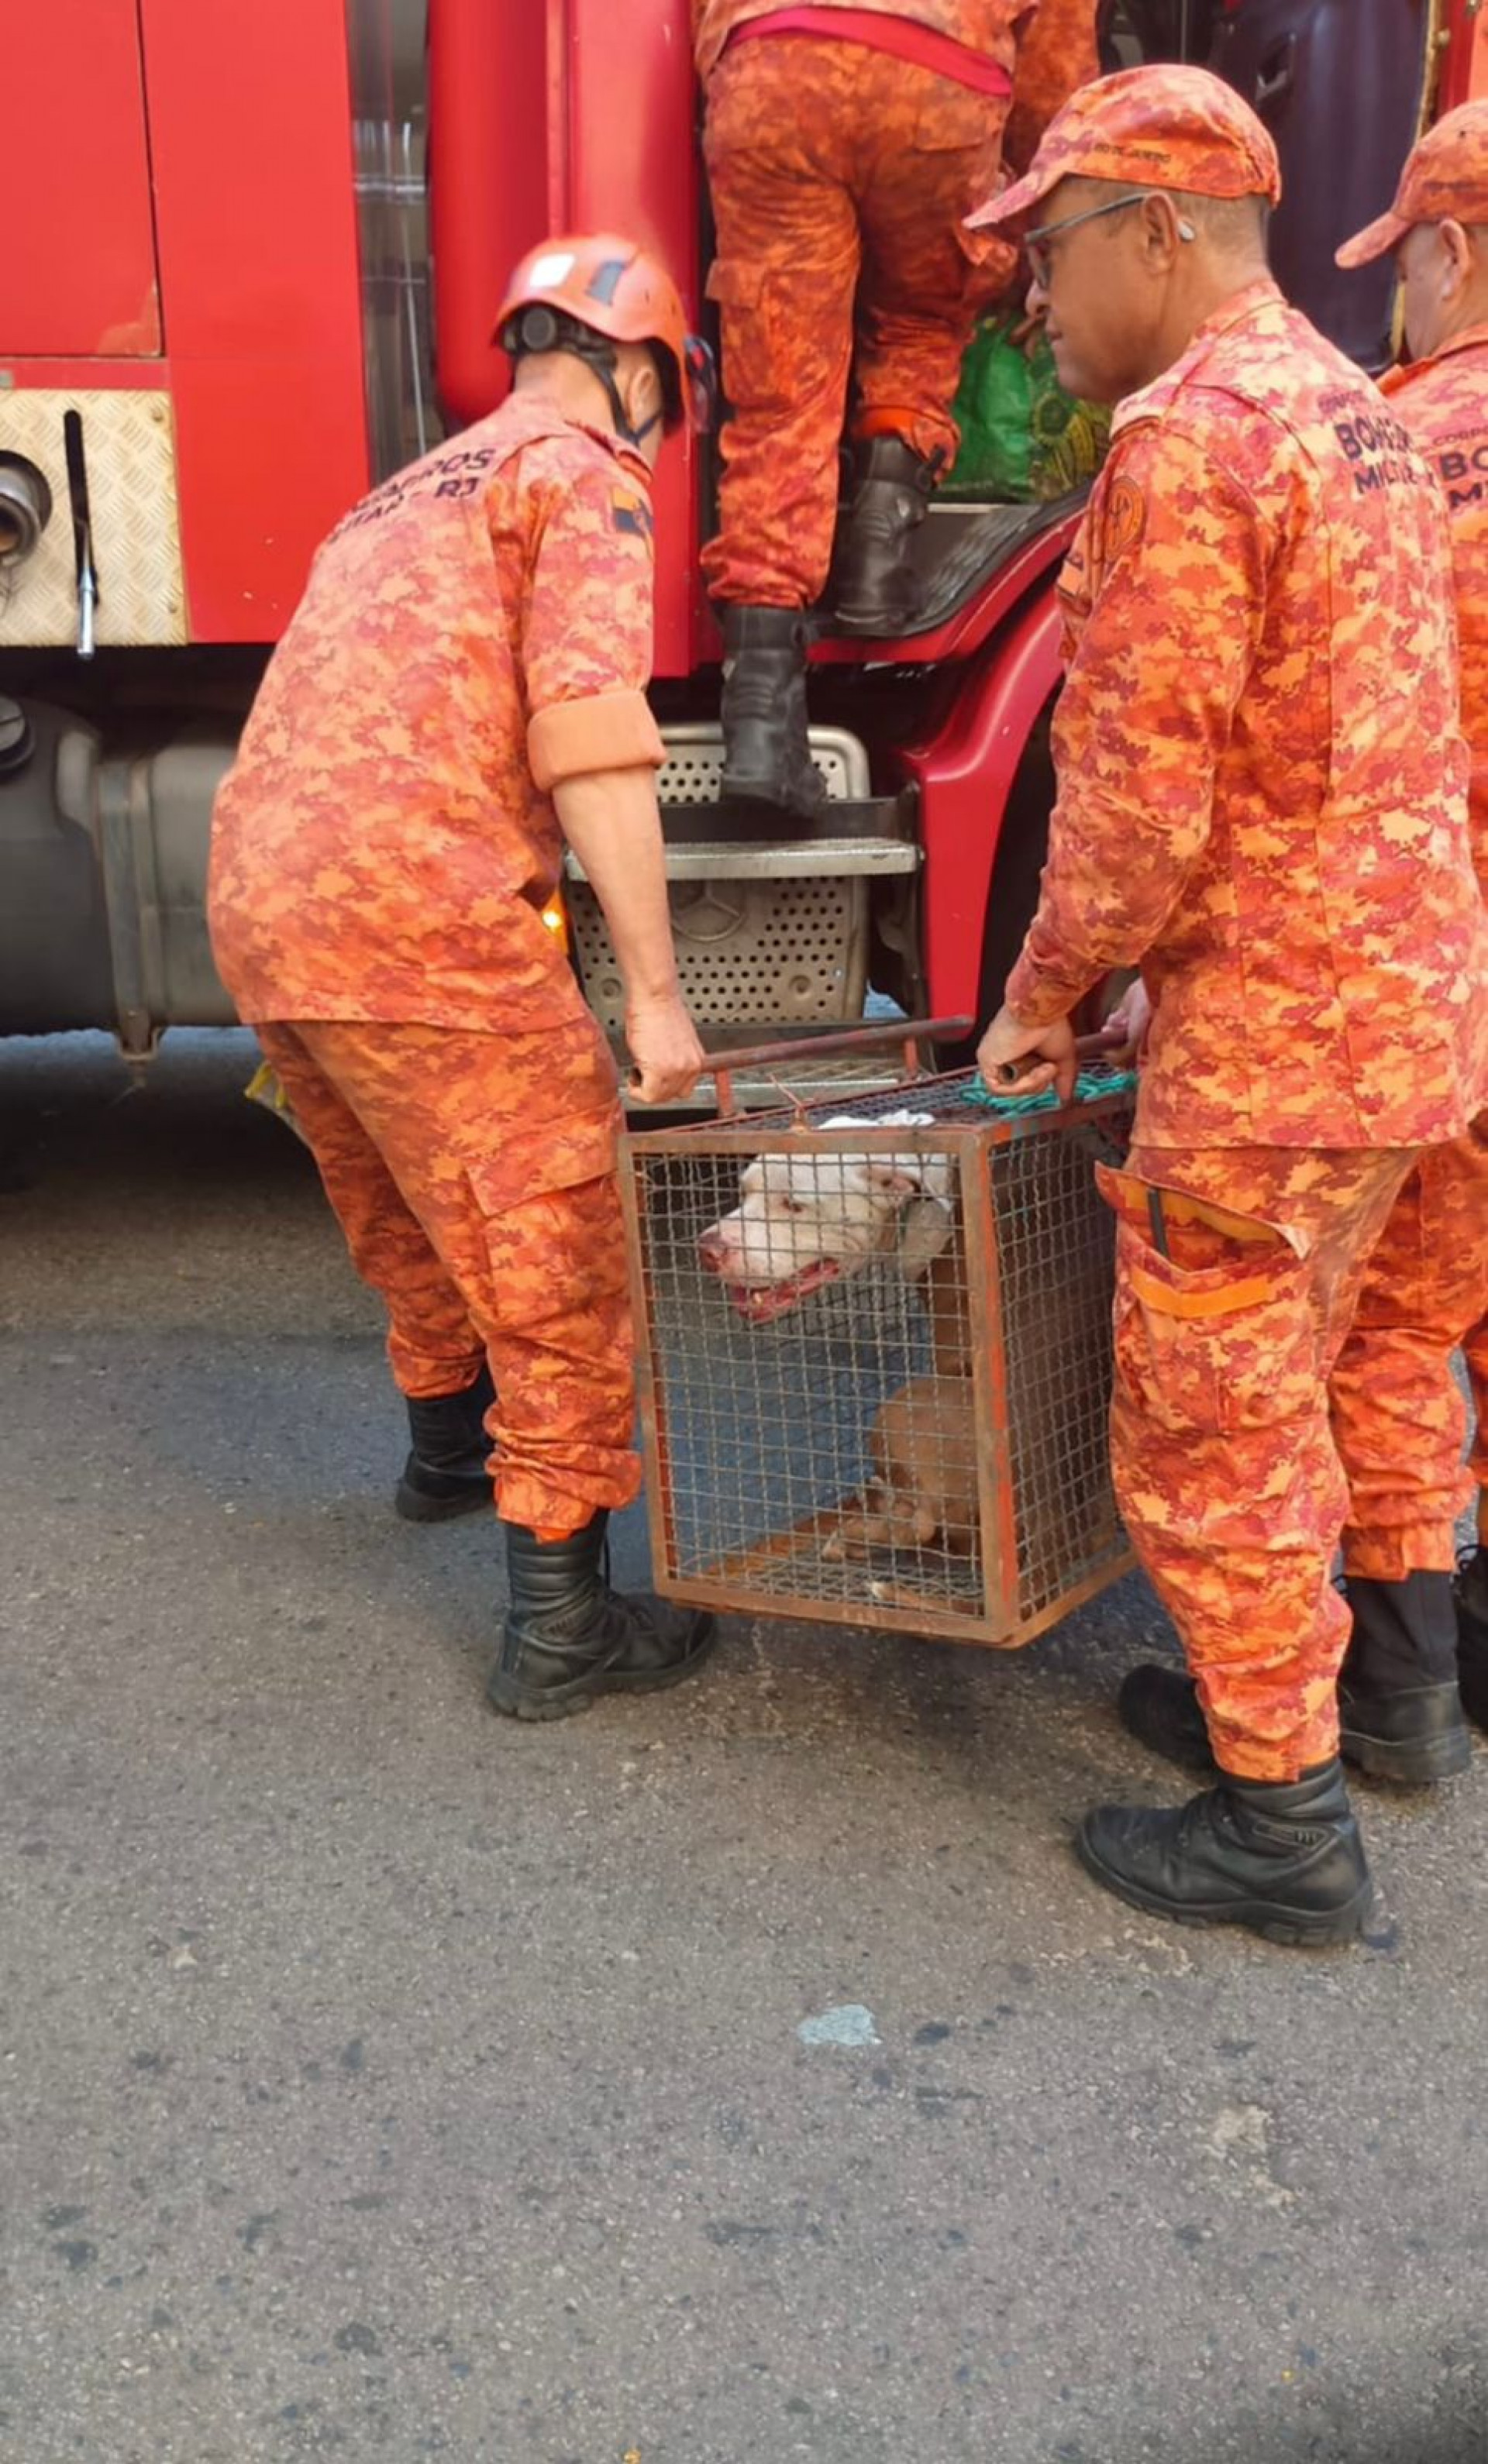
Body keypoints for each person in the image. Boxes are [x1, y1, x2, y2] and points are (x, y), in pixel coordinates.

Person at [970, 68, 1488, 1946]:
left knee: (1209, 1426)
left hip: (1272, 1045)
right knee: (1307, 1375)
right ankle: (1280, 1701)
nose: (1032, 298)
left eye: (1048, 249)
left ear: (1158, 233)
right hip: (1402, 1024)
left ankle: (1284, 1823)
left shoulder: (1191, 439)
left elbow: (1130, 805)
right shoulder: (1356, 415)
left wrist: (1040, 997)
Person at [208, 235, 721, 1723]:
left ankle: (446, 1453)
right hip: (420, 909)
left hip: (267, 907)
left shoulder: (395, 493)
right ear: (636, 372)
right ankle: (565, 1624)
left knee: (398, 1186)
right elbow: (589, 733)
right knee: (553, 1236)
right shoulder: (579, 472)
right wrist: (656, 1002)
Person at [692, 0, 1033, 817]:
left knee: (783, 391)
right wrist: (1045, 190)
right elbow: (1056, 67)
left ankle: (762, 731)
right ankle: (879, 567)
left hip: (773, 69)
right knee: (921, 317)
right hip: (942, 85)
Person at [1330, 105, 1488, 1738]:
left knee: (1397, 1311)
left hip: (1436, 965)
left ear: (1450, 250)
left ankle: (1394, 1687)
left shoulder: (1391, 449)